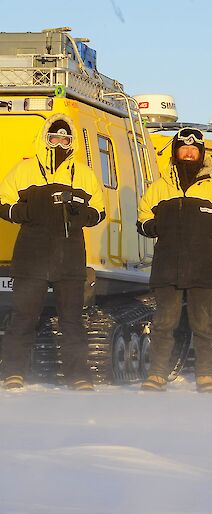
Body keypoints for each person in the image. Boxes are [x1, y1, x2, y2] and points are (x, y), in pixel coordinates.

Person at [0, 114, 106, 390]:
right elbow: (3, 202)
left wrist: (80, 213)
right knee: (23, 317)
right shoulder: (24, 169)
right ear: (45, 139)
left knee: (72, 320)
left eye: (65, 138)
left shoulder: (83, 174)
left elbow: (100, 211)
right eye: (54, 137)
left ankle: (78, 376)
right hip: (31, 256)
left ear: (72, 143)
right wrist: (28, 211)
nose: (60, 143)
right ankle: (14, 373)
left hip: (69, 258)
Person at [137, 127, 212, 393]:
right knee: (163, 323)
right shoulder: (159, 188)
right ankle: (157, 375)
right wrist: (155, 226)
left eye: (194, 149)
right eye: (184, 149)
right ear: (176, 152)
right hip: (166, 267)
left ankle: (205, 376)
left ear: (201, 153)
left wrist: (209, 228)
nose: (189, 153)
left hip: (203, 267)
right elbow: (143, 219)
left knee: (203, 324)